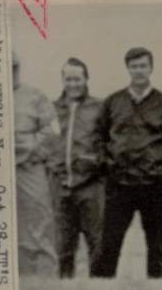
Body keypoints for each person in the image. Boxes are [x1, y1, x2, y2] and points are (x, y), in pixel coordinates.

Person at [91, 47, 162, 278]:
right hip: (119, 183)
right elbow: (98, 137)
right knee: (109, 241)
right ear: (127, 68)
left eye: (143, 66)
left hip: (155, 184)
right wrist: (106, 163)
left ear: (151, 68)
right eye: (134, 66)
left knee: (157, 243)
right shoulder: (113, 102)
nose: (139, 71)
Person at [49, 58, 105, 277]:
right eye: (68, 79)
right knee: (63, 247)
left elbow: (110, 142)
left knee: (97, 243)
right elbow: (46, 142)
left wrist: (95, 161)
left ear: (86, 79)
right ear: (63, 80)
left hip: (91, 186)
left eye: (77, 79)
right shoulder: (52, 109)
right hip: (61, 186)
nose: (73, 84)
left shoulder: (99, 108)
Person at [13, 52, 60, 276]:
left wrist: (30, 149)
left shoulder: (34, 96)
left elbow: (52, 131)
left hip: (29, 168)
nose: (10, 72)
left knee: (39, 217)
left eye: (14, 67)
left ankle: (44, 279)